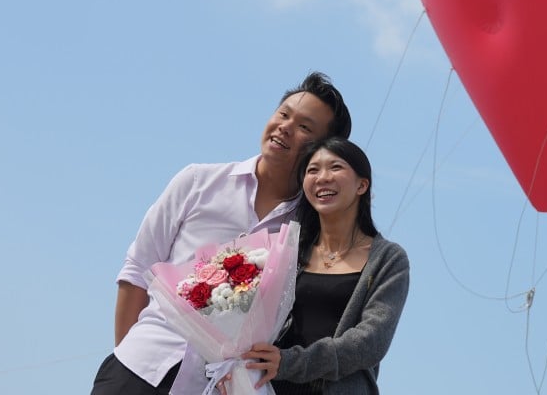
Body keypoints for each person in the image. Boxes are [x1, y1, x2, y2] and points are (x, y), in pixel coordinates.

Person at [91, 72, 352, 395]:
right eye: (283, 114)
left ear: (322, 149)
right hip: (141, 369)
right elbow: (137, 271)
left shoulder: (311, 233)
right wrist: (131, 358)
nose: (285, 126)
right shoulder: (198, 182)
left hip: (222, 386)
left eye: (304, 127)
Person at [241, 136, 410, 395]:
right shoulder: (288, 251)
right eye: (312, 170)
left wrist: (291, 362)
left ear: (362, 185)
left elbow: (371, 342)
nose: (322, 177)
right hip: (267, 387)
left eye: (335, 167)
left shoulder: (388, 259)